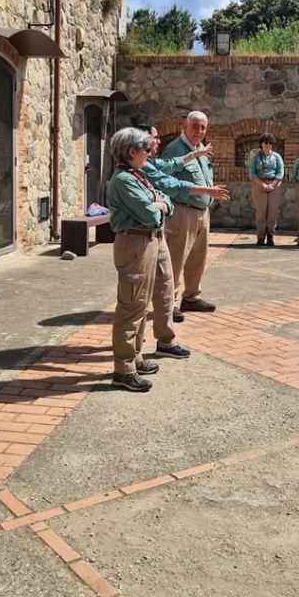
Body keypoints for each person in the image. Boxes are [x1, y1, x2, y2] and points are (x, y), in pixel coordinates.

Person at [138, 125, 229, 355]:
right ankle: (133, 356)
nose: (157, 143)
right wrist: (170, 204)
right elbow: (170, 183)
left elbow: (166, 168)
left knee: (194, 260)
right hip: (153, 231)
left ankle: (183, 307)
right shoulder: (130, 174)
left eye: (204, 127)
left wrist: (195, 155)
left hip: (194, 213)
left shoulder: (151, 163)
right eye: (154, 138)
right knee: (167, 274)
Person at [107, 127, 170, 392]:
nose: (149, 153)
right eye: (146, 149)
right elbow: (150, 214)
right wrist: (158, 206)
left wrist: (161, 204)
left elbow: (165, 200)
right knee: (131, 307)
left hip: (147, 241)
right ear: (132, 152)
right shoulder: (123, 180)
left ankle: (135, 356)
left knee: (142, 304)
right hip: (135, 243)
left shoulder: (137, 175)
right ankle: (123, 370)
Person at [161, 111, 219, 314]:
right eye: (195, 126)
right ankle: (170, 303)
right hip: (182, 212)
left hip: (202, 212)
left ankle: (192, 297)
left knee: (198, 258)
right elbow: (162, 180)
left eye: (203, 127)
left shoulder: (201, 148)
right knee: (176, 258)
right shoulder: (175, 149)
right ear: (184, 126)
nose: (199, 131)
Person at [248, 134, 285, 246]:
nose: (268, 145)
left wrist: (272, 185)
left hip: (274, 185)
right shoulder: (255, 157)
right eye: (265, 143)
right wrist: (263, 184)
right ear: (261, 144)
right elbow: (252, 173)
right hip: (259, 185)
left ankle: (270, 236)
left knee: (272, 212)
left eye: (270, 143)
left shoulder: (277, 157)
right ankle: (260, 236)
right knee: (261, 212)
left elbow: (280, 172)